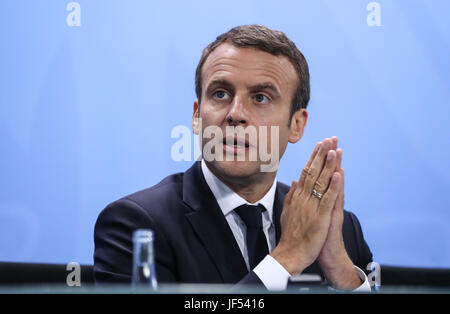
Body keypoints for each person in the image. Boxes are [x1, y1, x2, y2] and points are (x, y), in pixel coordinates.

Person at [93, 25, 373, 291]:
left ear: (296, 125)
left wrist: (343, 274)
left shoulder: (340, 230)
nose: (235, 113)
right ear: (197, 116)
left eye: (261, 98)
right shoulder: (136, 225)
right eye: (220, 94)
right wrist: (287, 258)